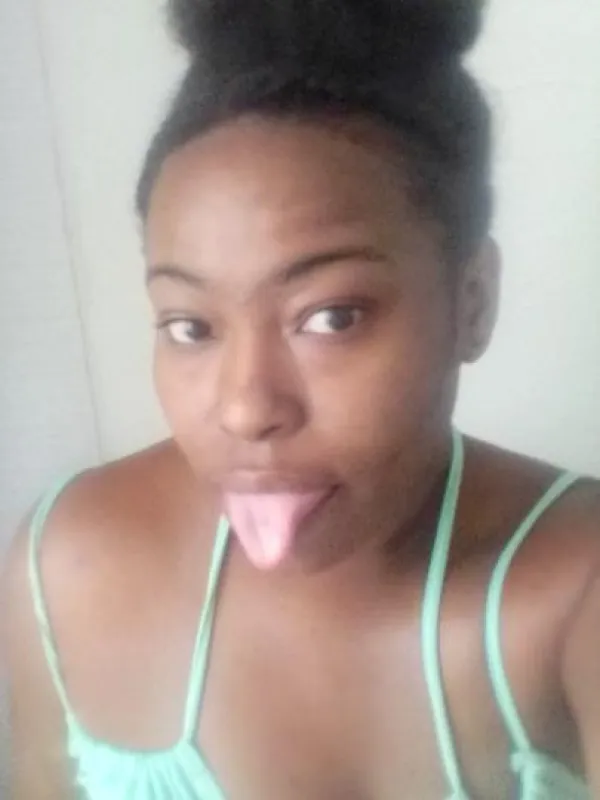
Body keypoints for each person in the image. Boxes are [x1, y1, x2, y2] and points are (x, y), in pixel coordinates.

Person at [3, 0, 600, 797]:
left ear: (473, 302)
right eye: (190, 326)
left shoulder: (576, 591)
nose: (246, 410)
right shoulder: (68, 566)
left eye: (331, 317)